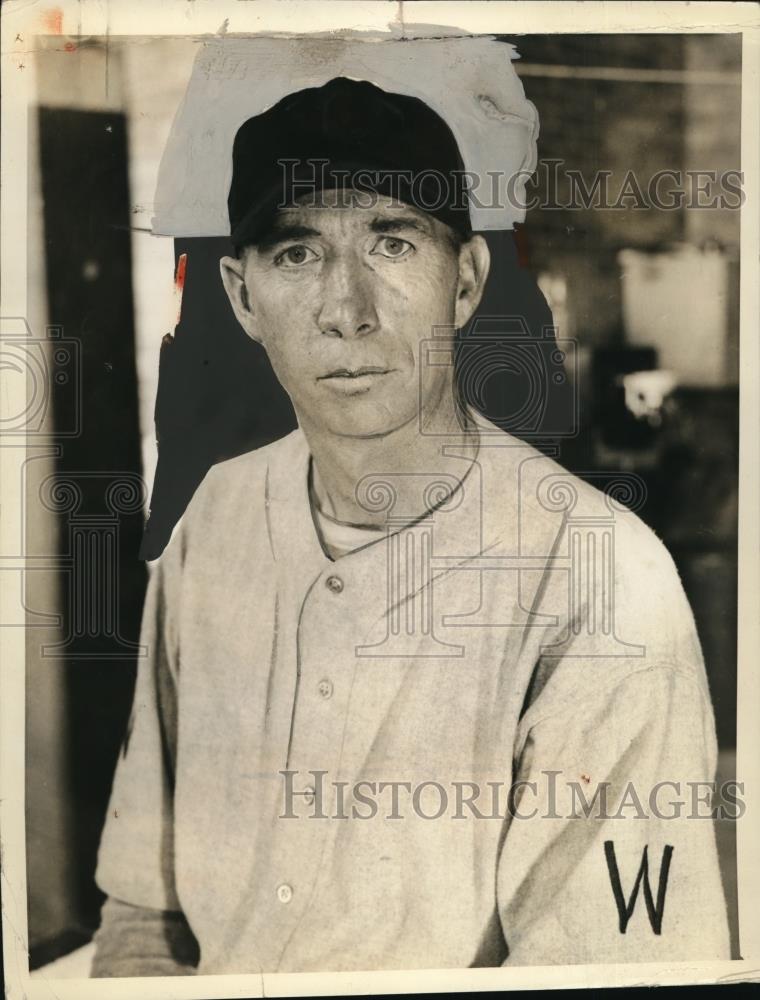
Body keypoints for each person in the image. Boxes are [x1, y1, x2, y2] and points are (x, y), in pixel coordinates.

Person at [91, 77, 730, 976]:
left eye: (391, 242)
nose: (346, 309)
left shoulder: (602, 579)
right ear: (241, 297)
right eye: (296, 254)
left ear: (464, 281)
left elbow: (615, 971)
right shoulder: (214, 522)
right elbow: (140, 919)